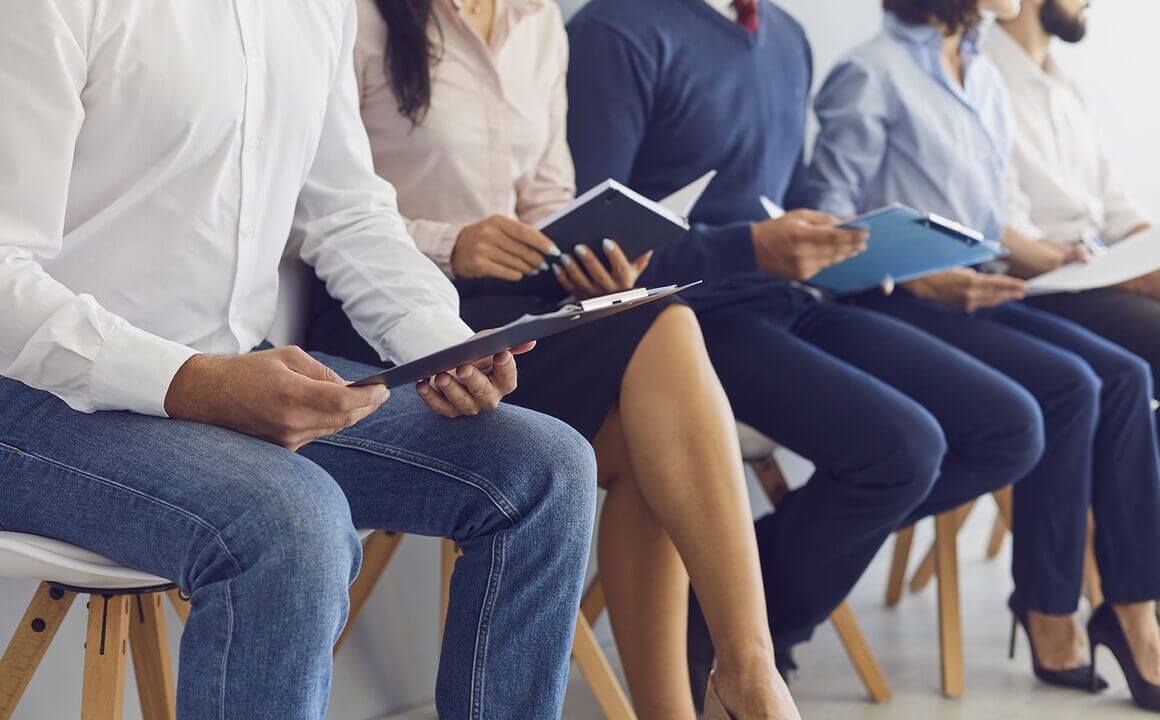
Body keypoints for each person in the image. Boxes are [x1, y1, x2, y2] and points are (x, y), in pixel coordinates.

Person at [0, 2, 602, 718]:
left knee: (545, 470)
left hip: (232, 368)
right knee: (292, 523)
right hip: (34, 395)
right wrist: (197, 385)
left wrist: (438, 337)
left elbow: (345, 210)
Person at [304, 0, 798, 717]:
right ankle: (747, 677)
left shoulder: (538, 21)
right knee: (666, 328)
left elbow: (547, 197)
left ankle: (710, 689)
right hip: (378, 309)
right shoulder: (358, 18)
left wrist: (589, 252)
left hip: (508, 301)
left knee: (650, 439)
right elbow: (315, 206)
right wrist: (453, 241)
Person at [565, 0, 1046, 703]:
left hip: (782, 299)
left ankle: (722, 607)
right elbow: (593, 248)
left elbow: (777, 207)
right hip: (681, 328)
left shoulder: (786, 37)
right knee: (905, 447)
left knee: (1010, 424)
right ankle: (740, 645)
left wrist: (834, 243)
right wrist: (748, 247)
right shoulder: (616, 33)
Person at [807, 0, 1160, 710]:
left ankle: (1133, 611)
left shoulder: (979, 77)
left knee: (1122, 376)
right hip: (896, 301)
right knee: (1072, 385)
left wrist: (1049, 259)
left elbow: (988, 220)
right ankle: (1050, 608)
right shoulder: (870, 72)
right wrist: (920, 276)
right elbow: (822, 223)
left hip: (974, 293)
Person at [986, 0, 1160, 409]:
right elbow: (1003, 232)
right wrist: (1127, 278)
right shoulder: (982, 79)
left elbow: (1119, 212)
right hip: (1042, 284)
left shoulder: (1065, 87)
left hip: (1095, 269)